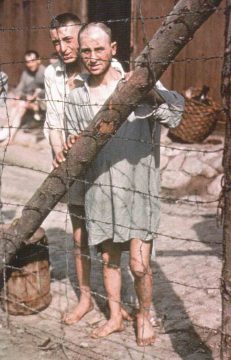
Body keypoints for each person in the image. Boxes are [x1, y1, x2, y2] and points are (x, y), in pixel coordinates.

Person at [59, 22, 184, 346]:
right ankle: (115, 316)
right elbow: (77, 147)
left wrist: (150, 89)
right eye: (86, 50)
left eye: (99, 49)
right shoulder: (76, 96)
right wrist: (72, 143)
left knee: (139, 265)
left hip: (138, 187)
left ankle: (143, 313)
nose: (92, 56)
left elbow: (176, 114)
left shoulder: (136, 84)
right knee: (107, 259)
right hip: (100, 188)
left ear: (113, 49)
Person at [44, 13, 129, 326]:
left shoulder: (107, 68)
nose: (63, 48)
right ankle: (85, 297)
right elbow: (53, 119)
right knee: (79, 235)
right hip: (71, 162)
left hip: (107, 164)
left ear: (82, 37)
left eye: (68, 40)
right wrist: (57, 150)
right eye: (56, 42)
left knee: (112, 236)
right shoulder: (52, 74)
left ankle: (120, 303)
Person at [0, 50, 45, 144]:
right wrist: (19, 95)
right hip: (28, 102)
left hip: (42, 103)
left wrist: (37, 94)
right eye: (28, 62)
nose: (30, 64)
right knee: (18, 105)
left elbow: (50, 91)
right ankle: (8, 134)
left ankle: (7, 135)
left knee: (20, 105)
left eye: (32, 61)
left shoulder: (44, 72)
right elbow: (20, 87)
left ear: (39, 60)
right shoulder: (26, 73)